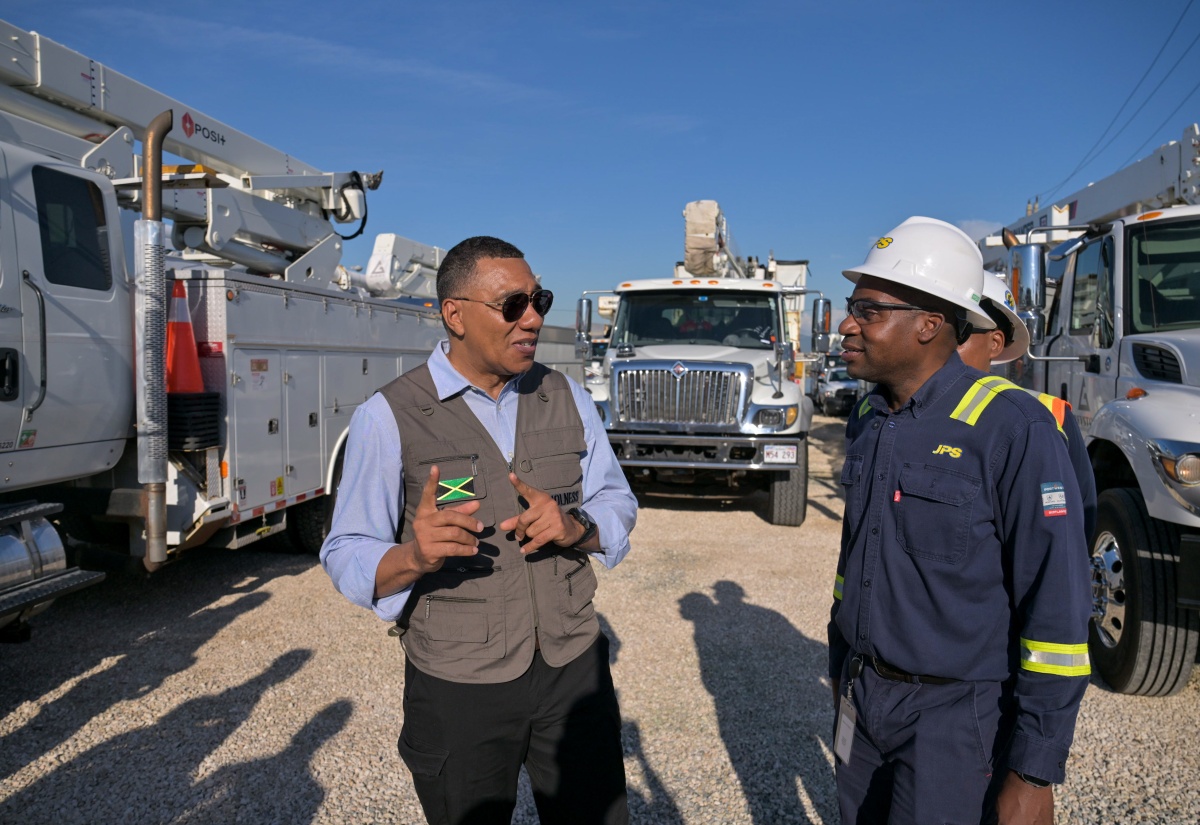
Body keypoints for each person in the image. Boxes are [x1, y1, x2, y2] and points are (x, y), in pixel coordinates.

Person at [321, 236, 638, 825]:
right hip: (459, 685)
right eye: (513, 304)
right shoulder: (388, 415)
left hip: (573, 670)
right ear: (454, 314)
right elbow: (345, 550)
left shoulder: (566, 395)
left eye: (538, 298)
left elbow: (616, 499)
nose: (535, 317)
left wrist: (578, 526)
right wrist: (413, 558)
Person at [829, 217, 1093, 825]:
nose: (846, 325)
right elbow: (855, 563)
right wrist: (842, 666)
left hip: (955, 719)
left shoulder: (1014, 429)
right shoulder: (871, 421)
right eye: (852, 307)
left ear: (929, 324)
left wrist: (1033, 770)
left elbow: (1056, 605)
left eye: (868, 310)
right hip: (863, 700)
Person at [957, 272, 1097, 543]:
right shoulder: (895, 411)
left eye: (959, 331)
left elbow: (1076, 529)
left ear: (995, 343)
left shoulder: (1049, 414)